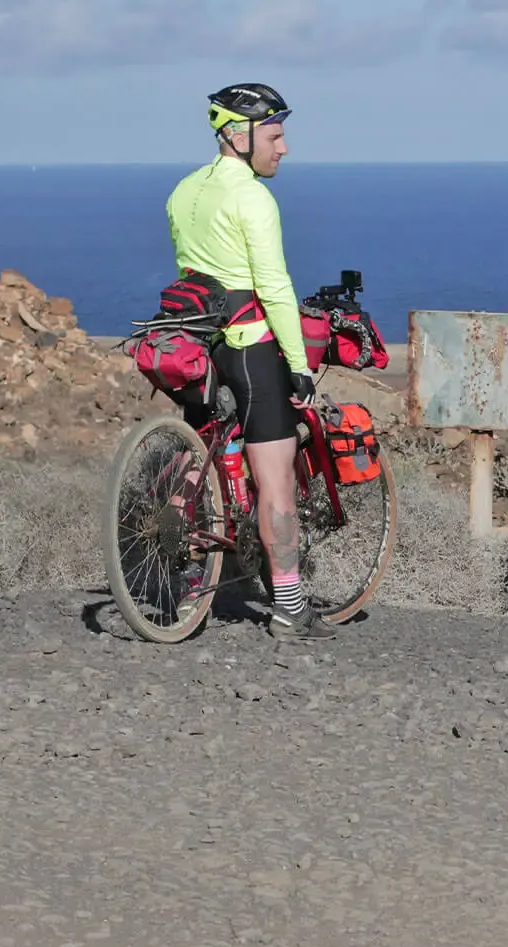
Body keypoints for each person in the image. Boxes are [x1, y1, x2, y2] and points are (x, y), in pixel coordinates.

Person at [166, 82, 332, 640]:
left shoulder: (184, 191)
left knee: (202, 462)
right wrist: (298, 365)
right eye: (275, 135)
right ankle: (288, 604)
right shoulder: (254, 197)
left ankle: (188, 582)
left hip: (195, 344)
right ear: (238, 135)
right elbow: (275, 287)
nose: (283, 148)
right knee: (276, 477)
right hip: (248, 347)